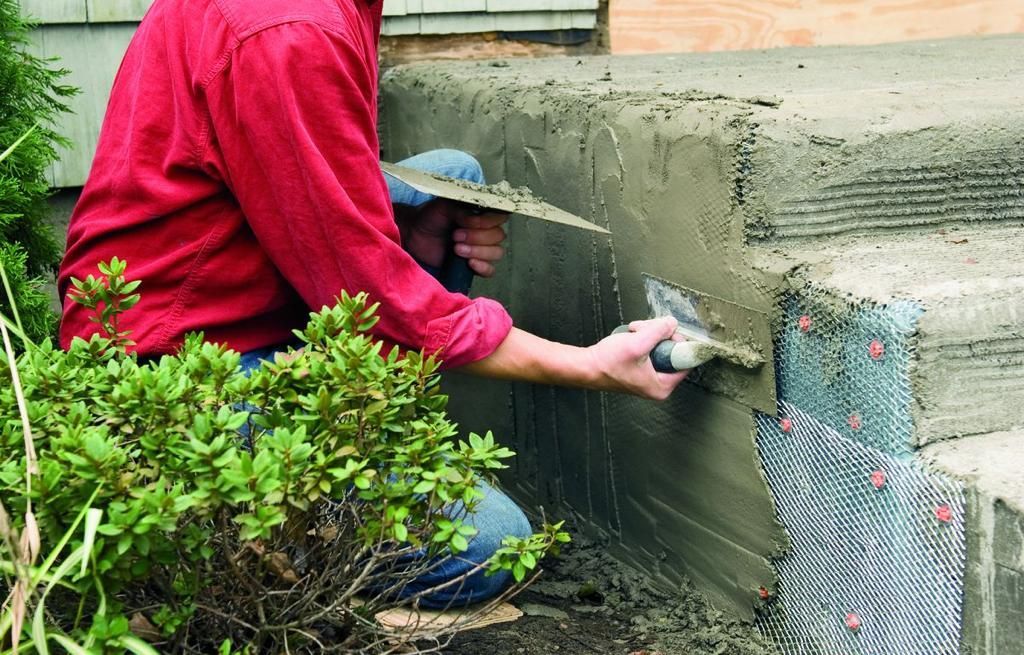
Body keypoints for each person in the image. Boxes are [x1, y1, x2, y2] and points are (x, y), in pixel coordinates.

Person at [57, 0, 689, 607]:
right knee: (490, 545)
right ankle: (199, 539)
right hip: (175, 366)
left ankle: (360, 437)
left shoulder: (320, 14)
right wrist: (588, 364)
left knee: (450, 172)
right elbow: (372, 298)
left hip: (216, 281)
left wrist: (399, 233)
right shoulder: (290, 27)